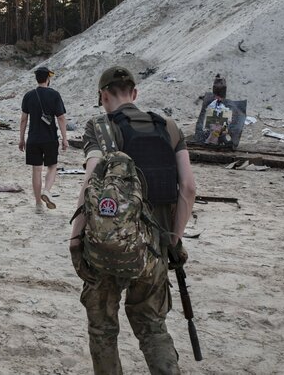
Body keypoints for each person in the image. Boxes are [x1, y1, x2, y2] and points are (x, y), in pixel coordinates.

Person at [69, 66, 196, 375]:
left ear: (103, 96)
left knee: (103, 331)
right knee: (153, 328)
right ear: (135, 94)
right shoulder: (169, 127)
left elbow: (90, 182)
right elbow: (189, 189)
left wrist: (75, 235)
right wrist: (173, 241)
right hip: (155, 249)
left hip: (108, 245)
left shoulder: (100, 126)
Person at [18, 66, 68, 214]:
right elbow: (60, 117)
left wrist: (21, 139)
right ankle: (46, 190)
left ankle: (38, 204)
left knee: (36, 170)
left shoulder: (28, 95)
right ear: (48, 78)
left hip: (33, 138)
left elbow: (23, 119)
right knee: (52, 166)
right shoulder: (54, 95)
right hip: (50, 138)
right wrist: (65, 138)